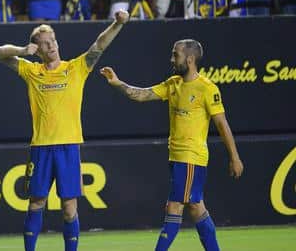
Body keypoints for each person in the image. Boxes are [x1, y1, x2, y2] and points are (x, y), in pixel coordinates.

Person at [0, 9, 129, 251]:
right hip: (41, 147)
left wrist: (118, 24)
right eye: (44, 44)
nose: (51, 46)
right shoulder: (31, 71)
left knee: (69, 207)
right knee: (36, 203)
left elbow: (99, 45)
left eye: (53, 41)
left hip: (68, 146)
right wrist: (23, 51)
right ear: (38, 49)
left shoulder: (76, 68)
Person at [100, 39, 244, 251]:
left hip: (191, 157)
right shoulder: (173, 84)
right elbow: (141, 95)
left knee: (174, 206)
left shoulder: (206, 88)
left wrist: (235, 157)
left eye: (175, 55)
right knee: (196, 209)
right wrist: (117, 82)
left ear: (190, 59)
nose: (171, 59)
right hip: (176, 158)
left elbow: (222, 124)